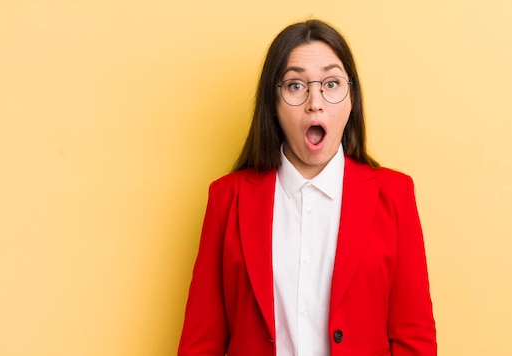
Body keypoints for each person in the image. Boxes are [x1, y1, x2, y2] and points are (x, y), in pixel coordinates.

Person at [178, 19, 436, 356]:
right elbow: (201, 342)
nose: (315, 102)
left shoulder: (395, 195)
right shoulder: (227, 198)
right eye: (296, 86)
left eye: (331, 83)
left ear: (351, 98)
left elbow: (414, 339)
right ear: (273, 103)